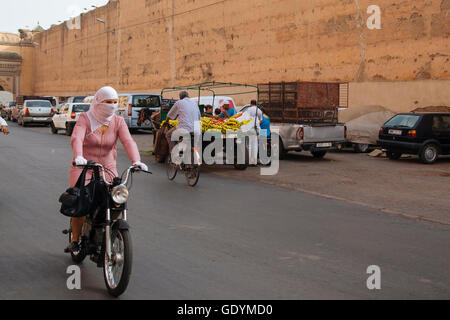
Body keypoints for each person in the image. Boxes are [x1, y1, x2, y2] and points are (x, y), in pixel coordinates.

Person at [67, 86, 148, 253]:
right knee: (81, 200)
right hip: (84, 166)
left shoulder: (118, 121)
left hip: (108, 167)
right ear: (98, 102)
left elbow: (128, 141)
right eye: (107, 102)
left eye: (114, 102)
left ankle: (104, 227)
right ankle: (75, 239)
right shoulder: (85, 118)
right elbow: (77, 137)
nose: (112, 105)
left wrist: (137, 161)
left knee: (117, 200)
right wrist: (79, 156)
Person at [245, 100, 263, 165]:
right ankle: (255, 162)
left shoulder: (248, 110)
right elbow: (261, 121)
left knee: (249, 145)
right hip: (256, 129)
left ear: (251, 104)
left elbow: (245, 119)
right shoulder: (259, 110)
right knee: (255, 145)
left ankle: (249, 161)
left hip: (250, 129)